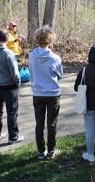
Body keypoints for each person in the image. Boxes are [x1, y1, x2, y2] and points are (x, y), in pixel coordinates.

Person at [29, 26, 63, 160]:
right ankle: (51, 150)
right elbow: (59, 75)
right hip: (52, 94)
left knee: (39, 123)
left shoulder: (31, 56)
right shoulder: (54, 58)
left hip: (37, 93)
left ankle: (41, 151)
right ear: (50, 40)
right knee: (51, 124)